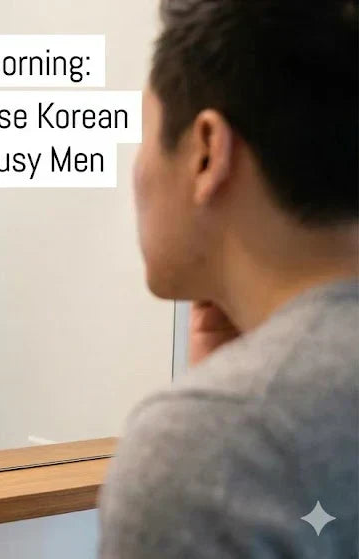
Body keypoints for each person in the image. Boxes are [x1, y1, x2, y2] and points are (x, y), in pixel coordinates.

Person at [98, 1, 358, 557]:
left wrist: (230, 408)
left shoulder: (208, 447)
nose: (136, 173)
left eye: (143, 134)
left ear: (207, 152)